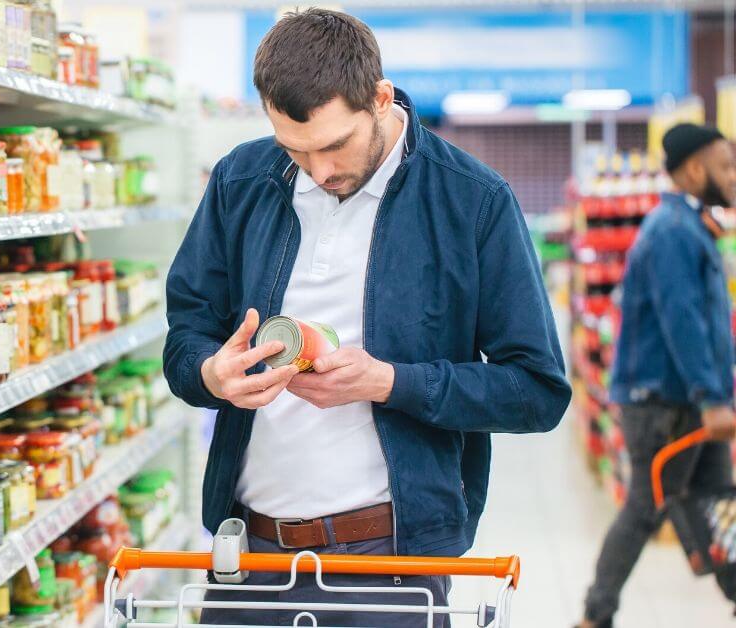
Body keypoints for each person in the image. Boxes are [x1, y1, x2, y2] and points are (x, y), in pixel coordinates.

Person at [162, 8, 571, 627]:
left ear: (380, 98)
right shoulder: (240, 181)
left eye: (333, 145)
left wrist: (389, 382)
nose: (318, 171)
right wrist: (211, 374)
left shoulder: (472, 201)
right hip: (249, 557)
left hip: (390, 567)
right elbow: (185, 334)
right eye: (294, 150)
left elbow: (537, 392)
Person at [577, 123, 736, 628]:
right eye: (725, 165)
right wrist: (712, 396)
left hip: (686, 399)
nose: (734, 176)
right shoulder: (671, 232)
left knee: (719, 501)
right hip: (662, 405)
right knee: (646, 509)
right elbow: (682, 319)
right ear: (694, 169)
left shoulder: (689, 225)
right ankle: (595, 616)